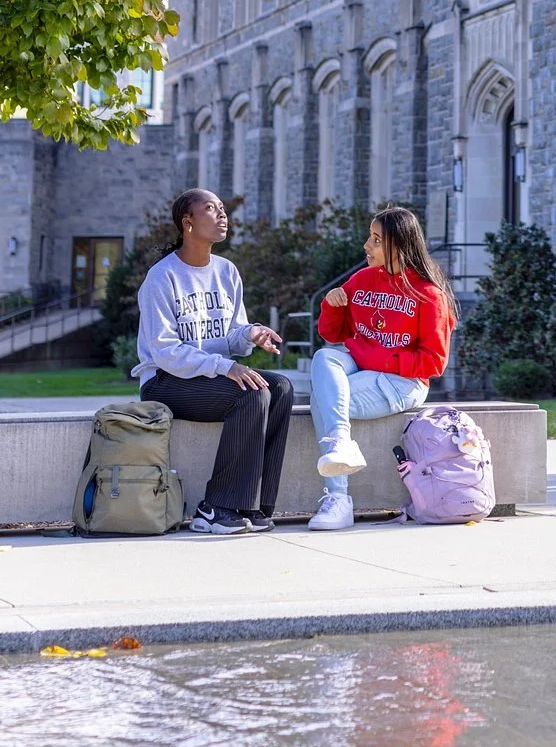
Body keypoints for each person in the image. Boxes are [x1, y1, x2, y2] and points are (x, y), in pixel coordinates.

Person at [135, 189, 292, 534]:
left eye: (222, 208)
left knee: (280, 387)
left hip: (209, 377)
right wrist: (226, 367)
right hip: (165, 381)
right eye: (211, 209)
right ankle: (215, 508)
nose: (222, 215)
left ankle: (254, 504)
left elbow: (231, 335)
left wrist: (251, 334)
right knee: (252, 394)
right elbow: (164, 351)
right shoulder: (162, 277)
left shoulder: (226, 271)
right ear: (187, 222)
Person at [307, 204, 457, 532]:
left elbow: (434, 362)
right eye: (370, 237)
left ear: (399, 245)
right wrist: (331, 303)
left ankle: (338, 498)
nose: (367, 245)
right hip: (363, 369)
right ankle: (341, 443)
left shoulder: (428, 295)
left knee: (322, 399)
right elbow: (332, 334)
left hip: (401, 382)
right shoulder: (362, 279)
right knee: (324, 358)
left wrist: (380, 360)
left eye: (376, 240)